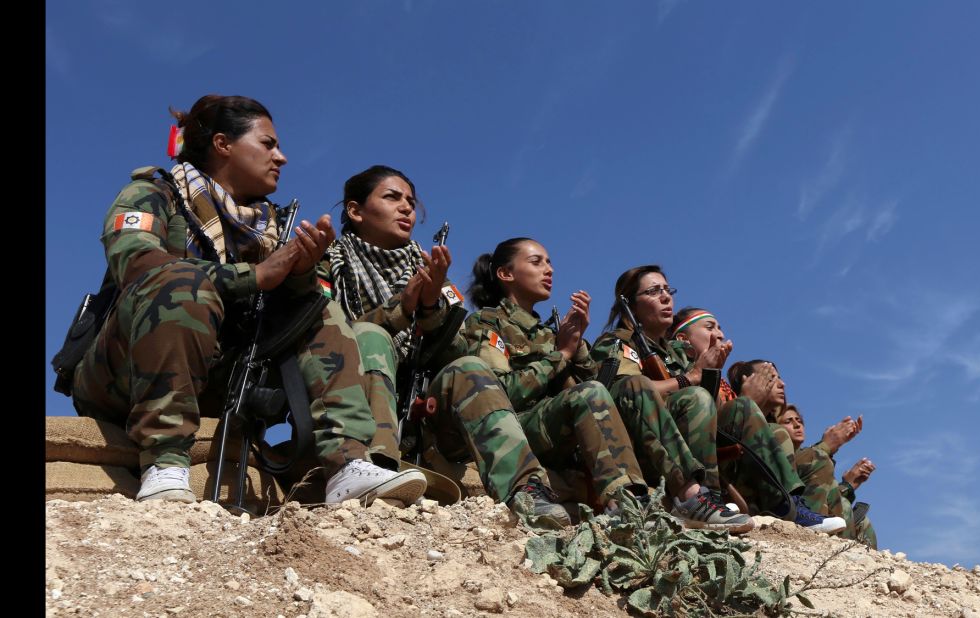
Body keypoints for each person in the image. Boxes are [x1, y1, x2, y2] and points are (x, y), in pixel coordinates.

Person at [70, 95, 426, 507]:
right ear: (223, 144)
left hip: (222, 373)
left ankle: (347, 463)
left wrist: (298, 273)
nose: (283, 157)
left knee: (313, 305)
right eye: (268, 144)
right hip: (125, 372)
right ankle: (165, 462)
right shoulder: (154, 194)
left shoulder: (270, 226)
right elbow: (137, 265)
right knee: (180, 281)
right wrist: (255, 275)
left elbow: (281, 311)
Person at [320, 167, 570, 526]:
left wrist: (430, 306)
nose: (407, 208)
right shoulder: (331, 259)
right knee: (371, 335)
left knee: (472, 369)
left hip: (422, 408)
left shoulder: (428, 270)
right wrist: (402, 307)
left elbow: (460, 349)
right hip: (349, 400)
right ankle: (376, 469)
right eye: (392, 198)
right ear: (356, 211)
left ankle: (526, 492)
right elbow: (327, 334)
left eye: (410, 201)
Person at [463, 239, 751, 531]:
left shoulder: (550, 333)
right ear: (505, 274)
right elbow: (500, 394)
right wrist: (561, 354)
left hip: (562, 431)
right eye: (537, 262)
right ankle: (628, 502)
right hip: (518, 431)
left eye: (549, 262)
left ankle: (692, 497)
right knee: (629, 387)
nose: (549, 270)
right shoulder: (486, 323)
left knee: (687, 398)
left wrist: (577, 348)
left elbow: (596, 390)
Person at [592, 273, 843, 534]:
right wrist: (689, 378)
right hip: (639, 446)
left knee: (747, 413)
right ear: (630, 304)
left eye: (668, 289)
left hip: (682, 449)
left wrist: (708, 374)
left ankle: (785, 503)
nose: (666, 297)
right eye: (654, 291)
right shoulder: (617, 343)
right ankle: (705, 496)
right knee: (695, 396)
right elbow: (624, 392)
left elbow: (704, 412)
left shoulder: (674, 354)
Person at [777, 404, 878, 548]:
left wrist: (848, 485)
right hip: (791, 521)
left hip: (816, 515)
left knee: (861, 520)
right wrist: (828, 445)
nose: (796, 424)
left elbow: (820, 497)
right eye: (788, 421)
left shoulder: (809, 458)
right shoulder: (794, 458)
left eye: (799, 420)